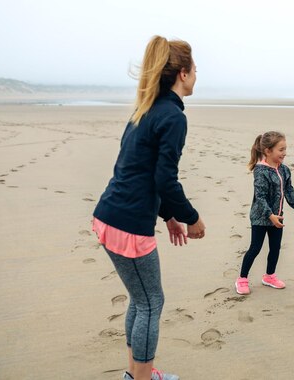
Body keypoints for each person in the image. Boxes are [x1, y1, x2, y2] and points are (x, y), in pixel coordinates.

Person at [92, 35, 206, 380]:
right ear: (183, 74)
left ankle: (137, 373)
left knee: (140, 300)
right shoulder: (171, 116)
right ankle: (140, 378)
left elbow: (139, 170)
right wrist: (192, 218)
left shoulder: (147, 108)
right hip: (128, 225)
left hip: (110, 215)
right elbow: (164, 180)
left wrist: (168, 215)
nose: (198, 74)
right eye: (196, 69)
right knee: (151, 302)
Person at [235, 131, 294, 295]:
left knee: (275, 248)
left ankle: (269, 276)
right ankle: (242, 279)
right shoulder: (261, 171)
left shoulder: (284, 170)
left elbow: (288, 189)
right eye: (281, 149)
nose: (284, 153)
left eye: (285, 149)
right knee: (255, 248)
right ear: (268, 151)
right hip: (260, 217)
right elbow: (260, 197)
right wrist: (270, 216)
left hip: (278, 216)